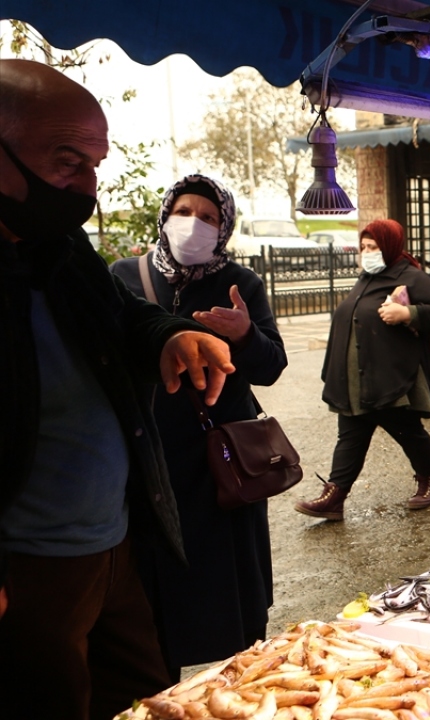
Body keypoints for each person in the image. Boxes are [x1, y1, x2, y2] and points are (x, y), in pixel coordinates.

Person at [0, 59, 234, 720]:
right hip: (30, 569)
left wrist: (169, 335)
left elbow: (122, 314)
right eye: (67, 158)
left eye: (96, 162)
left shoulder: (60, 246)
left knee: (149, 696)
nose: (88, 185)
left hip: (115, 542)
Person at [108, 174, 285, 682]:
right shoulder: (124, 275)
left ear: (224, 226)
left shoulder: (240, 284)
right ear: (165, 216)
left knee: (233, 591)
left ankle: (247, 683)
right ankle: (161, 690)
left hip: (222, 462)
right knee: (157, 589)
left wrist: (247, 334)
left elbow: (271, 367)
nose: (195, 224)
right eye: (185, 211)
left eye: (209, 217)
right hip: (149, 459)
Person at [296, 219, 430, 520]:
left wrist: (408, 312)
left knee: (408, 433)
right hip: (357, 379)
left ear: (389, 247)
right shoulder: (367, 277)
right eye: (363, 247)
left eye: (373, 247)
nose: (367, 252)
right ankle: (335, 496)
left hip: (391, 375)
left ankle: (429, 480)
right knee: (350, 436)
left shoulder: (411, 276)